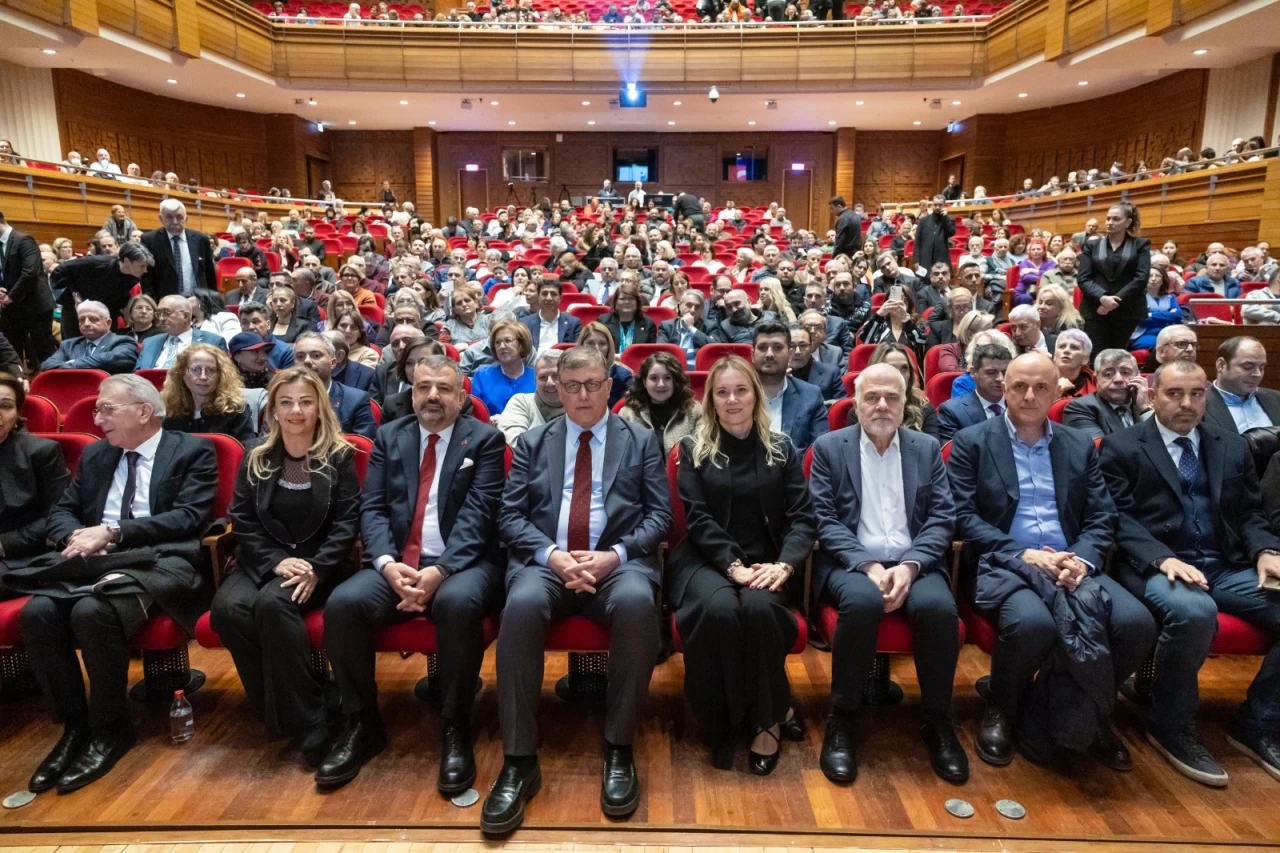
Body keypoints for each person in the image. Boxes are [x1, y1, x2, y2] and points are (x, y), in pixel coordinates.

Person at [483, 345, 671, 833]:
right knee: (520, 607)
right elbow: (510, 516)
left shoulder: (641, 438)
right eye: (572, 386)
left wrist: (615, 555)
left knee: (635, 604)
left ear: (610, 386)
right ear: (556, 390)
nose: (583, 395)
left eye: (592, 385)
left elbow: (659, 517)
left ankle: (618, 748)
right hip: (549, 561)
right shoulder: (533, 442)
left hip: (618, 563)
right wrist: (553, 556)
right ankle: (519, 760)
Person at [948, 353, 1156, 770]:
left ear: (1057, 390)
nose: (1029, 396)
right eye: (1020, 386)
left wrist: (1080, 559)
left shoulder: (1078, 443)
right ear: (1003, 388)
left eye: (1041, 387)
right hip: (1004, 561)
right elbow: (962, 515)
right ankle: (1003, 708)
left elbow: (1102, 516)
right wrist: (1018, 551)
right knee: (1032, 625)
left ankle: (1083, 707)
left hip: (1071, 562)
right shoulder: (972, 442)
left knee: (1136, 624)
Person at [11, 375, 217, 794]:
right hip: (92, 558)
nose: (96, 416)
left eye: (107, 408)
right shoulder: (96, 456)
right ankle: (75, 726)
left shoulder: (193, 450)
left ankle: (111, 728)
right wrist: (76, 537)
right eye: (98, 408)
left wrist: (113, 532)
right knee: (38, 612)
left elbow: (188, 519)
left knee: (92, 611)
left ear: (143, 411)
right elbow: (63, 510)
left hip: (160, 558)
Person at [319, 354, 506, 792]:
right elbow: (375, 507)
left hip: (465, 563)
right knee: (344, 605)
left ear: (462, 396)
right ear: (411, 392)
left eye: (443, 388)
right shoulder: (389, 435)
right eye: (424, 388)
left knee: (458, 605)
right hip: (397, 563)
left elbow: (480, 516)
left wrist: (439, 571)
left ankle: (456, 727)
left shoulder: (484, 441)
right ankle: (363, 723)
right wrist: (386, 565)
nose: (433, 397)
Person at [1100, 359, 1280, 785]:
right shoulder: (1123, 446)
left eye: (1196, 394)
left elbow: (1251, 512)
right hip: (1156, 565)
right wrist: (1162, 558)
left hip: (1225, 565)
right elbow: (1116, 518)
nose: (1186, 403)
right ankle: (1170, 724)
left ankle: (1257, 721)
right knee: (1194, 613)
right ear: (1153, 394)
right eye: (1174, 394)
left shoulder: (1230, 445)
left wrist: (1266, 550)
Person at [808, 364, 965, 784]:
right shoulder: (829, 447)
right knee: (860, 603)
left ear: (905, 404)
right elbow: (824, 519)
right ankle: (841, 719)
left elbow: (942, 517)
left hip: (915, 561)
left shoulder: (926, 448)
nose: (881, 405)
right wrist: (869, 566)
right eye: (872, 397)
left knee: (937, 608)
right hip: (852, 562)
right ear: (854, 404)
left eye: (891, 398)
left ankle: (938, 721)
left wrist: (911, 565)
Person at [666, 355, 814, 773]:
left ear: (756, 394)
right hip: (705, 560)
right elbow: (697, 519)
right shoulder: (693, 449)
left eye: (741, 390)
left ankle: (766, 721)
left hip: (768, 562)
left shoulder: (781, 448)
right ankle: (724, 719)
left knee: (760, 609)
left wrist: (784, 566)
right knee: (719, 611)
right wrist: (733, 567)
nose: (732, 399)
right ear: (710, 399)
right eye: (722, 392)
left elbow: (803, 517)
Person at [210, 368, 359, 764]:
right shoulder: (255, 454)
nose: (296, 410)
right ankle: (305, 700)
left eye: (305, 402)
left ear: (319, 408)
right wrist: (276, 562)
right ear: (273, 408)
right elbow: (240, 517)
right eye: (286, 402)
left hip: (320, 563)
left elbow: (347, 523)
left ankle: (309, 723)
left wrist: (315, 567)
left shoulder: (340, 455)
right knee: (226, 610)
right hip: (264, 560)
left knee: (274, 605)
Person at [0, 373, 70, 574]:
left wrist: (4, 544)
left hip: (19, 556)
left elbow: (58, 514)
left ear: (17, 414)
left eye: (6, 406)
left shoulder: (42, 452)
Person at [1078, 202, 1151, 353]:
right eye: (1108, 219)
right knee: (1095, 356)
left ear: (1128, 222)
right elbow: (1083, 278)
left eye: (1116, 219)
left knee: (1118, 355)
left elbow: (1141, 278)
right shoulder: (1092, 245)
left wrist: (1114, 301)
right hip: (1095, 309)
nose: (1110, 223)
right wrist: (1102, 298)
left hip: (1127, 309)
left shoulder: (1140, 245)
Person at [751, 321, 827, 453]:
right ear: (752, 355)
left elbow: (819, 452)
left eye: (777, 347)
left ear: (790, 354)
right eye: (763, 347)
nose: (769, 354)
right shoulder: (735, 395)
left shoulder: (811, 395)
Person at [51, 241, 154, 334]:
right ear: (127, 261)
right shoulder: (96, 263)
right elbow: (58, 272)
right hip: (76, 313)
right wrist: (74, 293)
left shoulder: (134, 276)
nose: (145, 270)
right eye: (142, 266)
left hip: (106, 315)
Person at [160, 343, 256, 443]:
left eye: (211, 370)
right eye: (195, 369)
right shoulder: (169, 409)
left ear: (221, 375)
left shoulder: (236, 410)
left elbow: (246, 452)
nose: (203, 377)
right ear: (182, 374)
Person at [0, 210, 57, 369]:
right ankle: (17, 385)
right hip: (12, 307)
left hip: (35, 305)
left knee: (43, 350)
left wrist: (11, 296)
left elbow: (30, 272)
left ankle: (53, 385)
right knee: (10, 351)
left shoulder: (24, 240)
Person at [292, 332, 376, 440]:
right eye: (300, 356)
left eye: (316, 355)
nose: (307, 361)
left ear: (333, 362)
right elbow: (268, 441)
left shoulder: (356, 400)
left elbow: (362, 449)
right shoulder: (281, 398)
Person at [618, 351, 701, 453]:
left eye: (667, 378)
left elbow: (702, 455)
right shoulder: (627, 414)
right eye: (654, 378)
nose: (661, 384)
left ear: (675, 381)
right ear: (644, 382)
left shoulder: (695, 412)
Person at [936, 336, 1013, 443]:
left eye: (1005, 373)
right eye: (991, 372)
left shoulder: (1021, 405)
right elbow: (953, 455)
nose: (1000, 379)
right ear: (973, 373)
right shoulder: (953, 412)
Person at [1063, 349, 1153, 439]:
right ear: (1096, 379)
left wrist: (1144, 409)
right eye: (1108, 374)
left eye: (1126, 373)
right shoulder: (1079, 408)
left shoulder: (1150, 403)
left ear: (1138, 376)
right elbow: (1101, 450)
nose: (1118, 379)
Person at [140, 200, 217, 299]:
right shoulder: (149, 240)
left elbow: (209, 274)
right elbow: (146, 278)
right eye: (169, 217)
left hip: (197, 302)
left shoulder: (200, 239)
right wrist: (153, 305)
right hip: (165, 303)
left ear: (186, 219)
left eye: (179, 217)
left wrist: (214, 302)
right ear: (161, 218)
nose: (175, 222)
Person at [1202, 336, 1280, 433]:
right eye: (1248, 366)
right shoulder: (1200, 406)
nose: (1257, 374)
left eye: (1261, 367)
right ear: (1221, 365)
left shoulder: (1277, 399)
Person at [40, 301, 138, 374]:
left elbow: (114, 359)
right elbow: (47, 365)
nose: (86, 324)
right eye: (82, 320)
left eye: (93, 319)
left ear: (108, 323)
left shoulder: (123, 341)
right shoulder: (68, 345)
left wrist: (73, 363)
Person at [136, 294, 230, 370]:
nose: (161, 318)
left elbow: (223, 376)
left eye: (166, 312)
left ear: (185, 316)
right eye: (159, 313)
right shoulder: (150, 342)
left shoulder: (212, 341)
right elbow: (137, 374)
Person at [497, 349, 564, 446]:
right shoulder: (520, 402)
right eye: (543, 377)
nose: (550, 382)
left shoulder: (582, 404)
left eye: (556, 376)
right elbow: (514, 445)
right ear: (535, 381)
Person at [471, 320, 535, 418]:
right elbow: (474, 414)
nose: (502, 346)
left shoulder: (537, 377)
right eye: (497, 342)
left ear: (522, 344)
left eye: (508, 341)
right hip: (491, 431)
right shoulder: (482, 376)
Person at [858, 282, 926, 364]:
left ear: (909, 304)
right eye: (892, 300)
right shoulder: (878, 322)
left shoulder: (917, 324)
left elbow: (920, 342)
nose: (898, 304)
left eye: (903, 301)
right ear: (886, 302)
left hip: (908, 369)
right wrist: (879, 314)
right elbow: (865, 339)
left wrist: (906, 319)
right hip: (882, 369)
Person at [576, 322, 633, 409]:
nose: (597, 348)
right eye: (590, 343)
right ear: (581, 346)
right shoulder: (572, 374)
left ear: (609, 347)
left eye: (602, 344)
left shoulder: (622, 376)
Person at [520, 277, 582, 355]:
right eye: (544, 294)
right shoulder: (525, 323)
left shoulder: (573, 323)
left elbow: (576, 354)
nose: (549, 298)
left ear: (560, 298)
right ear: (538, 297)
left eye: (553, 294)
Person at [657, 289, 711, 371]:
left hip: (701, 371)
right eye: (689, 305)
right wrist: (694, 352)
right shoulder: (667, 326)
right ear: (679, 306)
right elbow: (661, 352)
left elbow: (714, 349)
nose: (693, 310)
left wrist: (691, 328)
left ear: (702, 310)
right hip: (673, 371)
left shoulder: (710, 326)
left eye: (698, 307)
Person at [787, 323, 842, 402]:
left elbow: (841, 407)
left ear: (811, 347)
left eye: (803, 345)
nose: (797, 352)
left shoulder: (831, 373)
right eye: (791, 346)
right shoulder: (772, 375)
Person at [602, 279, 658, 352]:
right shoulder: (603, 322)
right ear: (615, 303)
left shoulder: (648, 324)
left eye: (631, 299)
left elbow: (652, 352)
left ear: (637, 303)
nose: (627, 302)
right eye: (622, 299)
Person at [913, 196, 956, 273]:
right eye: (935, 205)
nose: (937, 207)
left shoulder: (949, 220)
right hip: (925, 258)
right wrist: (916, 260)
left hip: (941, 258)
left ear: (944, 205)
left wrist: (945, 218)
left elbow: (950, 233)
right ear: (932, 205)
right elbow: (917, 242)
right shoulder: (923, 221)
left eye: (940, 205)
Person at [1053, 328, 1097, 398]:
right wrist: (1057, 392)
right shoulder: (1040, 378)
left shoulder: (1096, 384)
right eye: (1062, 346)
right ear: (1055, 356)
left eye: (1074, 347)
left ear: (1085, 358)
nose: (1066, 351)